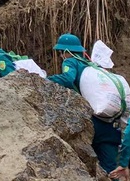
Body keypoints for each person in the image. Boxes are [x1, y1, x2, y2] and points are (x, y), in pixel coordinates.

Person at [48, 33, 123, 176]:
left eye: (60, 53)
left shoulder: (70, 61)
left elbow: (68, 79)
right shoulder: (93, 66)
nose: (60, 56)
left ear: (66, 52)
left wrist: (44, 79)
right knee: (111, 169)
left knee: (88, 168)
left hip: (91, 123)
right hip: (111, 124)